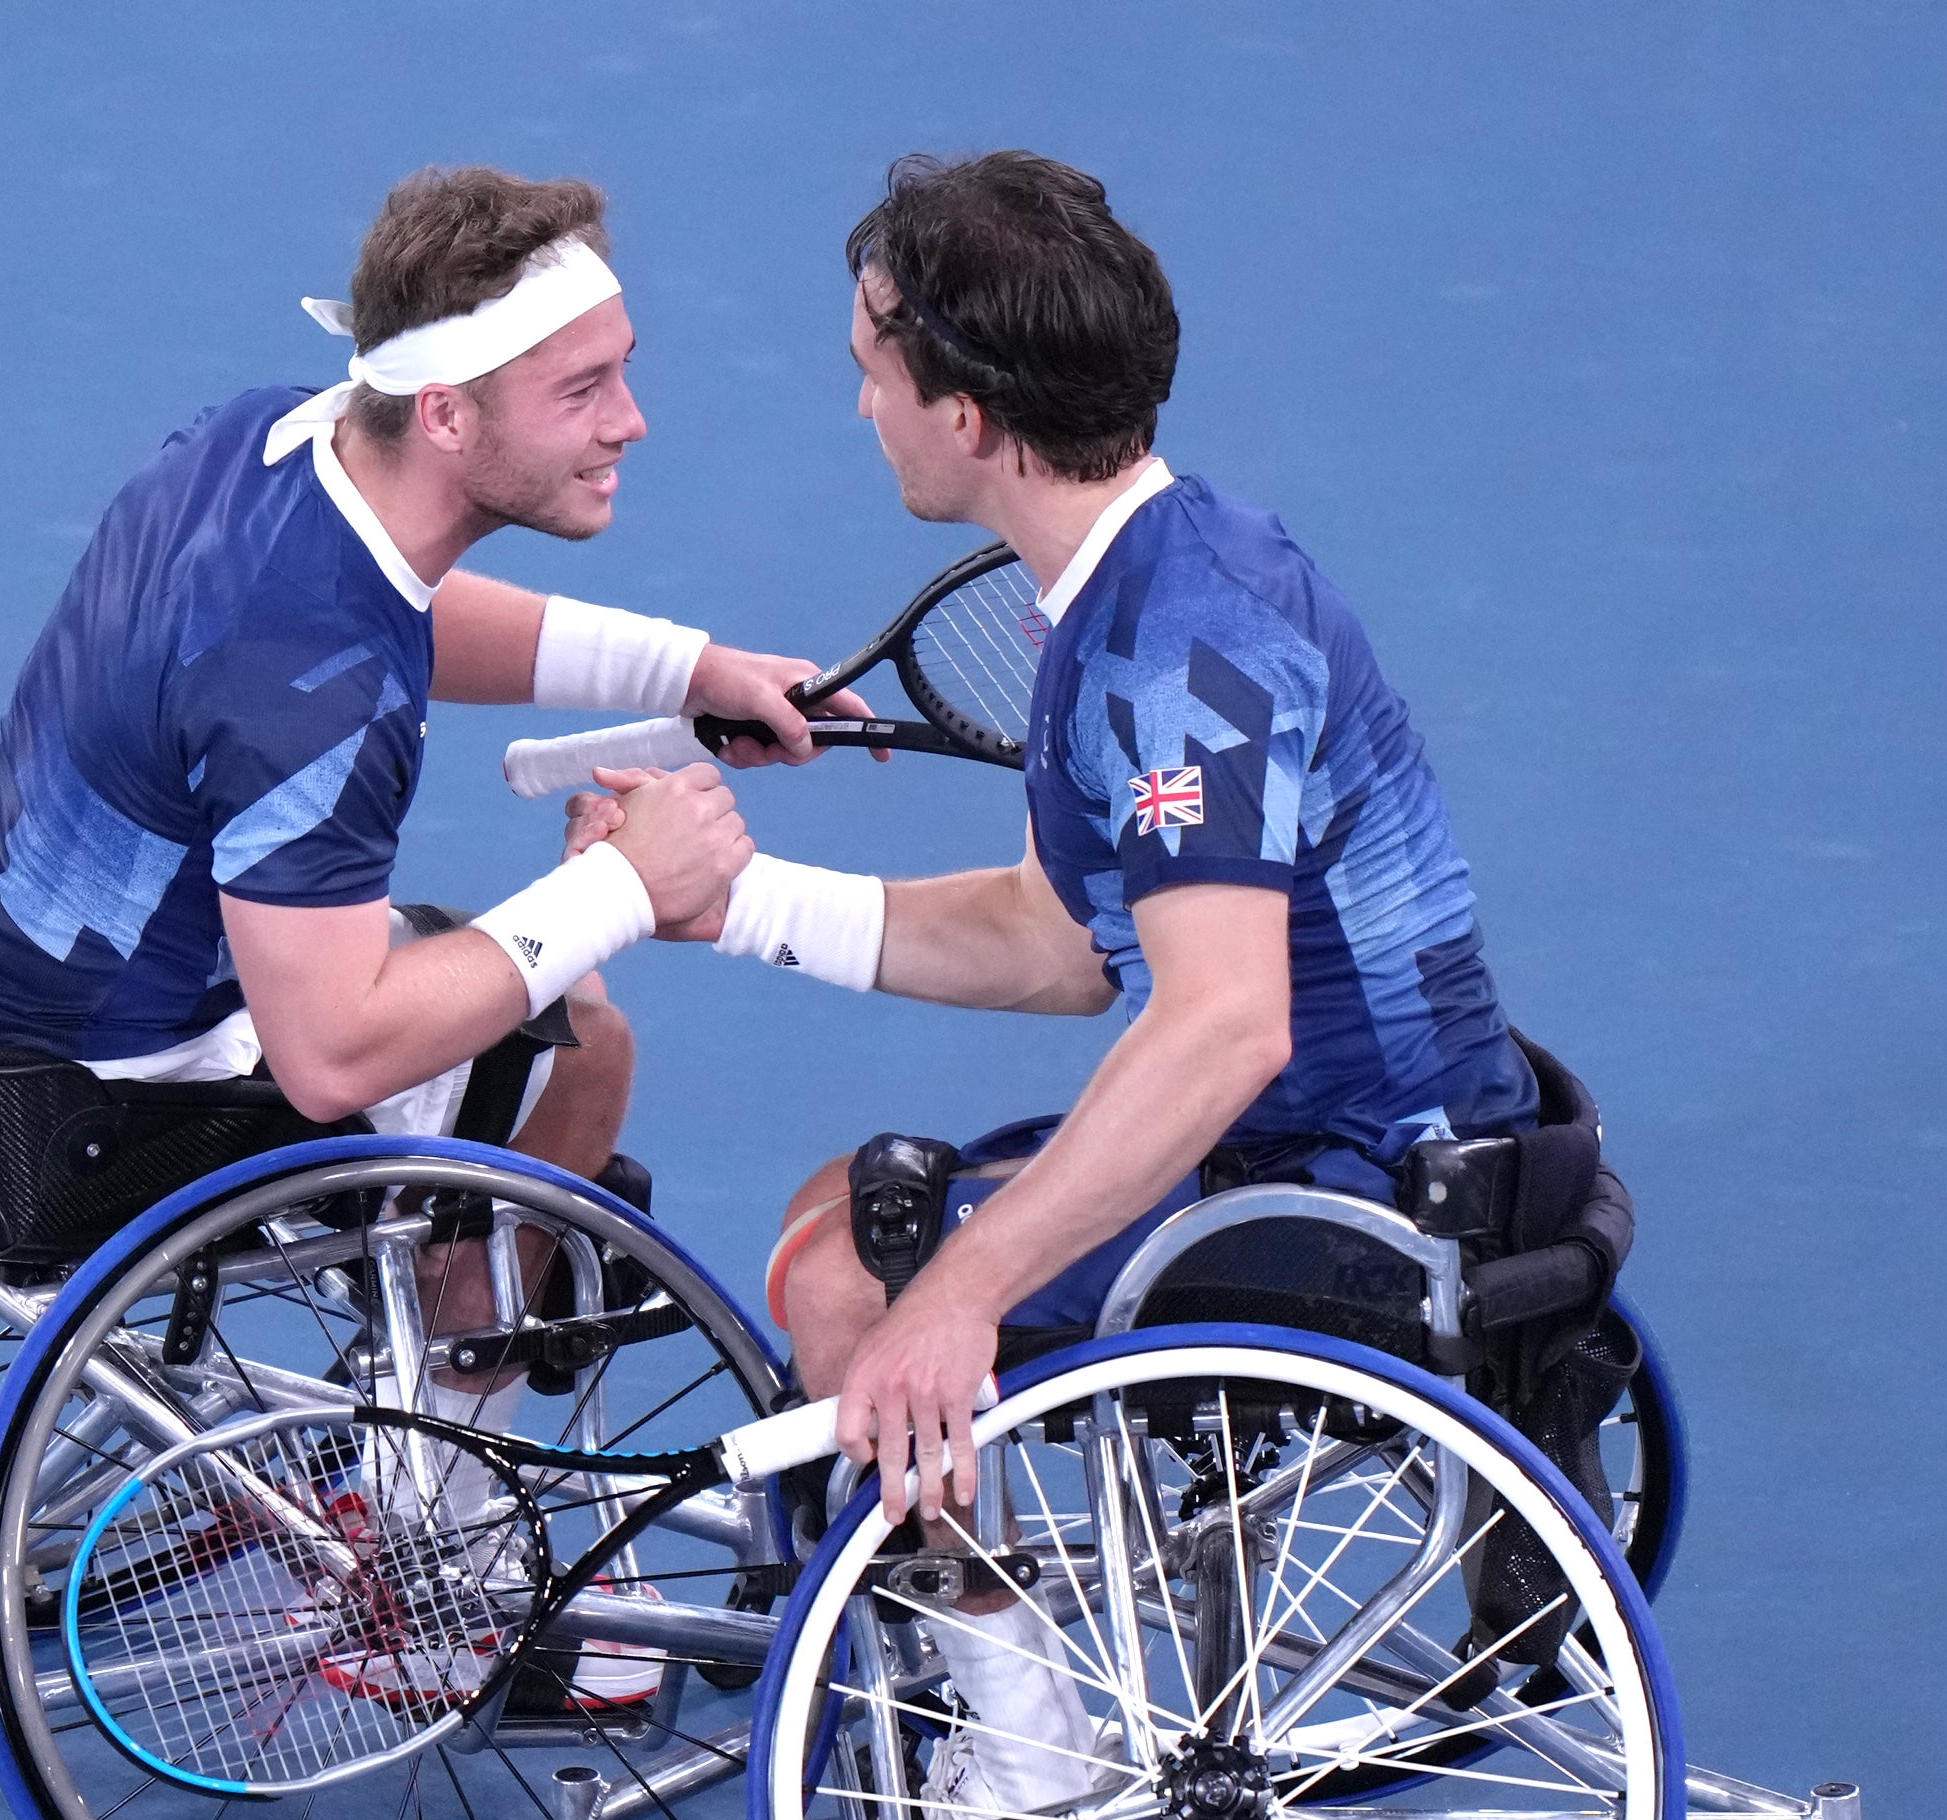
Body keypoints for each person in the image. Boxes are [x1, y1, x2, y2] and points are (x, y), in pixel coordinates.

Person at [579, 152, 1606, 1659]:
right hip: (1374, 1137)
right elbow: (1060, 947)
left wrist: (962, 1295)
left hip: (1357, 1193)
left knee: (862, 1285)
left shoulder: (1172, 653)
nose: (862, 405)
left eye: (875, 374)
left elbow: (1225, 1023)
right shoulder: (1153, 572)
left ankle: (1022, 1762)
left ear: (970, 418)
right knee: (829, 1223)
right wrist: (740, 903)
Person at [0, 164, 868, 1184]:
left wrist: (686, 672)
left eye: (620, 371)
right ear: (443, 415)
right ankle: (471, 1347)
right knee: (584, 1041)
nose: (630, 420)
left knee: (524, 982)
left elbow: (396, 615)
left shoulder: (262, 439)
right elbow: (330, 1060)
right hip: (82, 1093)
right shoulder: (319, 706)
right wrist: (626, 885)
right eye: (581, 391)